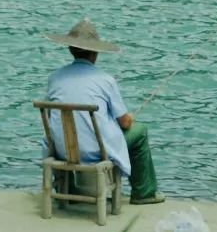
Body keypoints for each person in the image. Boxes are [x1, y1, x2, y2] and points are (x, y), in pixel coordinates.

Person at [44, 17, 164, 205]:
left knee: (73, 132)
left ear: (70, 49)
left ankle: (69, 189)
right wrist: (130, 118)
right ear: (95, 53)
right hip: (95, 150)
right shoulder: (105, 80)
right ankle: (144, 193)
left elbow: (53, 116)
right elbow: (124, 122)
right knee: (139, 132)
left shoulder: (55, 78)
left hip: (62, 149)